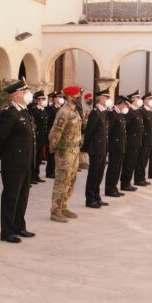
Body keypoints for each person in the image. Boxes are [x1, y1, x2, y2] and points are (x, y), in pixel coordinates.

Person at [0, 80, 36, 243]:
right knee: (11, 196)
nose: (28, 94)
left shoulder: (25, 111)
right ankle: (7, 231)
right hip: (13, 162)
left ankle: (19, 225)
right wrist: (5, 156)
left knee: (23, 195)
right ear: (17, 95)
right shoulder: (9, 113)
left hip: (25, 161)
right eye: (25, 92)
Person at [49, 85, 83, 223]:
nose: (79, 98)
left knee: (71, 180)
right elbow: (55, 132)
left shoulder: (75, 111)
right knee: (62, 180)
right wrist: (56, 149)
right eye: (77, 96)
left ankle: (63, 206)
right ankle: (55, 211)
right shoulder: (63, 112)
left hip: (74, 151)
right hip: (65, 152)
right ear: (70, 97)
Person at [82, 89, 110, 208]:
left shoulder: (104, 112)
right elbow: (89, 131)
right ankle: (90, 199)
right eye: (106, 97)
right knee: (93, 174)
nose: (108, 100)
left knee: (99, 174)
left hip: (102, 148)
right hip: (95, 148)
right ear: (100, 98)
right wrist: (85, 147)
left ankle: (97, 196)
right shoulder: (95, 112)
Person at [105, 96, 129, 198]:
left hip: (120, 146)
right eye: (125, 105)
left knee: (117, 168)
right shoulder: (112, 114)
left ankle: (114, 188)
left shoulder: (119, 114)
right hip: (114, 146)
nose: (125, 107)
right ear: (121, 104)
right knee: (113, 168)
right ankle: (109, 189)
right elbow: (108, 131)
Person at [120, 90, 142, 193]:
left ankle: (128, 182)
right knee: (128, 163)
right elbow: (125, 127)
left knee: (132, 162)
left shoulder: (136, 111)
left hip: (136, 141)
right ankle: (125, 183)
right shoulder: (129, 111)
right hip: (130, 141)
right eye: (137, 98)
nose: (139, 99)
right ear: (132, 99)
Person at [134, 91, 152, 187]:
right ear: (144, 100)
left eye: (151, 99)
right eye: (149, 99)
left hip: (149, 139)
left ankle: (142, 178)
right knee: (141, 160)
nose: (151, 100)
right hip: (144, 139)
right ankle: (138, 179)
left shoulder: (149, 111)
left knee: (145, 160)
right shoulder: (142, 111)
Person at [29, 90, 48, 184]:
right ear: (37, 100)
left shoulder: (43, 110)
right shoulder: (34, 110)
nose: (43, 101)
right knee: (34, 157)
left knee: (39, 157)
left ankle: (36, 175)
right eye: (41, 99)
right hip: (36, 136)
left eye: (43, 99)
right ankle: (31, 176)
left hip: (42, 136)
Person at [44, 91, 62, 178]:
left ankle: (54, 170)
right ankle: (49, 171)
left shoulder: (60, 108)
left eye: (60, 97)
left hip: (58, 134)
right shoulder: (51, 109)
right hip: (52, 133)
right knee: (51, 153)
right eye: (58, 97)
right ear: (54, 99)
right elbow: (49, 121)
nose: (60, 99)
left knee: (56, 154)